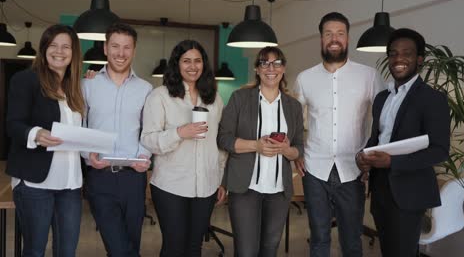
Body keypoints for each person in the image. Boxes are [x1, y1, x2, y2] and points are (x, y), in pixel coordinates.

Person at [294, 12, 385, 257]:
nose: (334, 39)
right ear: (321, 38)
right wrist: (297, 152)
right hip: (314, 169)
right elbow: (292, 121)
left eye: (340, 33)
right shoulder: (305, 78)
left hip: (354, 169)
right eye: (328, 34)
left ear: (347, 38)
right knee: (319, 238)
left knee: (352, 241)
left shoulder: (369, 76)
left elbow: (384, 120)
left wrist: (372, 156)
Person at [356, 28, 450, 257]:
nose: (399, 59)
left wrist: (392, 162)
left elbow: (439, 151)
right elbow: (377, 138)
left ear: (419, 59)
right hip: (380, 190)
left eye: (406, 53)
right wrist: (363, 156)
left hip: (409, 192)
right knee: (388, 250)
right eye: (393, 53)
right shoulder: (382, 98)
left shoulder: (432, 99)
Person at [140, 40, 225, 257]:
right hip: (171, 186)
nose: (192, 66)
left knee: (194, 247)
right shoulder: (160, 96)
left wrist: (220, 179)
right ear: (176, 64)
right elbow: (148, 140)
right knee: (174, 247)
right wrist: (179, 133)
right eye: (186, 61)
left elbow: (219, 143)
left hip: (206, 185)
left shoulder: (214, 99)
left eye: (197, 61)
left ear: (204, 65)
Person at [217, 46, 304, 256]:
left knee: (269, 250)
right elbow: (224, 138)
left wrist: (286, 150)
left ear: (283, 69)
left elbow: (299, 148)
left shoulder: (293, 106)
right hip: (245, 189)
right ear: (257, 69)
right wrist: (255, 145)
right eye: (264, 63)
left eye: (276, 63)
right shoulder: (240, 98)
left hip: (279, 192)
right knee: (246, 251)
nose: (270, 68)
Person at [6, 24, 84, 257]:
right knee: (34, 251)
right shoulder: (26, 80)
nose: (59, 51)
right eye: (53, 45)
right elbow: (13, 124)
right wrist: (36, 134)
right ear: (44, 49)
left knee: (67, 251)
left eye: (66, 47)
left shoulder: (75, 88)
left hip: (70, 184)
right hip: (35, 183)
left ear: (73, 53)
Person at [81, 23, 152, 257]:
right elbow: (79, 126)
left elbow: (149, 129)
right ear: (105, 48)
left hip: (134, 178)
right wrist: (86, 155)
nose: (120, 53)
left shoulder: (146, 89)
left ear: (134, 50)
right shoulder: (87, 84)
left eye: (126, 47)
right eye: (115, 46)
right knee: (119, 248)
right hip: (100, 177)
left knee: (131, 244)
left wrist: (145, 154)